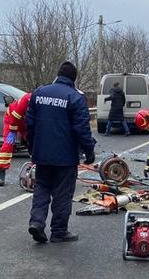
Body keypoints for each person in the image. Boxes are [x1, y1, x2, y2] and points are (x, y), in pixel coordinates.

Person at [25, 61, 96, 244]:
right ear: (74, 79)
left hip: (42, 154)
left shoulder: (39, 93)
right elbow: (82, 129)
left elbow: (29, 124)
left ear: (58, 74)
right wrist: (89, 151)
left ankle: (37, 222)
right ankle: (59, 231)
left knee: (41, 188)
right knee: (62, 194)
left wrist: (33, 148)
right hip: (65, 158)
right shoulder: (75, 98)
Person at [0, 91, 32, 186]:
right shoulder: (27, 99)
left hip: (25, 121)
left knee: (33, 142)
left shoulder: (43, 102)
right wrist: (12, 131)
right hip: (11, 119)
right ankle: (1, 173)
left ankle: (34, 168)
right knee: (7, 146)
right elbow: (16, 116)